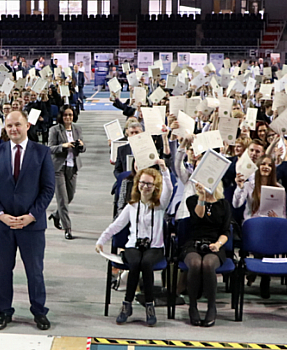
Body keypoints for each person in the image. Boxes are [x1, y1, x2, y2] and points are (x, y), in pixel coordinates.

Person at [0, 110, 55, 331]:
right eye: (9, 126)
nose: (13, 129)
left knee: (34, 271)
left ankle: (39, 312)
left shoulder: (42, 152)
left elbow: (48, 189)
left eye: (17, 125)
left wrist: (31, 215)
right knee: (3, 270)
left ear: (27, 125)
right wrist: (0, 215)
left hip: (31, 224)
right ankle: (4, 311)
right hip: (3, 225)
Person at [95, 165, 172, 326]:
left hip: (154, 247)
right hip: (133, 246)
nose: (145, 187)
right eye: (142, 183)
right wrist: (101, 240)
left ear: (155, 187)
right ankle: (127, 304)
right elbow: (116, 226)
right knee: (135, 262)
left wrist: (164, 170)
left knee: (146, 262)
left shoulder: (160, 205)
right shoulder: (132, 206)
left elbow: (169, 189)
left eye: (149, 184)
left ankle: (149, 305)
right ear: (137, 184)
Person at [182, 182, 231, 327]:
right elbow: (199, 217)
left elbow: (226, 231)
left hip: (215, 244)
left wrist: (218, 244)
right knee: (196, 264)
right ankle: (193, 306)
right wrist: (202, 197)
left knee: (208, 264)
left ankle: (211, 306)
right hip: (193, 243)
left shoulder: (224, 205)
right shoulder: (192, 200)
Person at [47, 106, 84, 240]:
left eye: (70, 115)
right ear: (61, 117)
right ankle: (67, 229)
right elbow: (50, 148)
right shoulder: (55, 130)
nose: (68, 118)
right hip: (59, 168)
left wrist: (80, 145)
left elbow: (83, 148)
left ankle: (57, 215)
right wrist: (63, 146)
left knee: (70, 196)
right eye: (65, 115)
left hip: (72, 166)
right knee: (62, 200)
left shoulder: (77, 129)